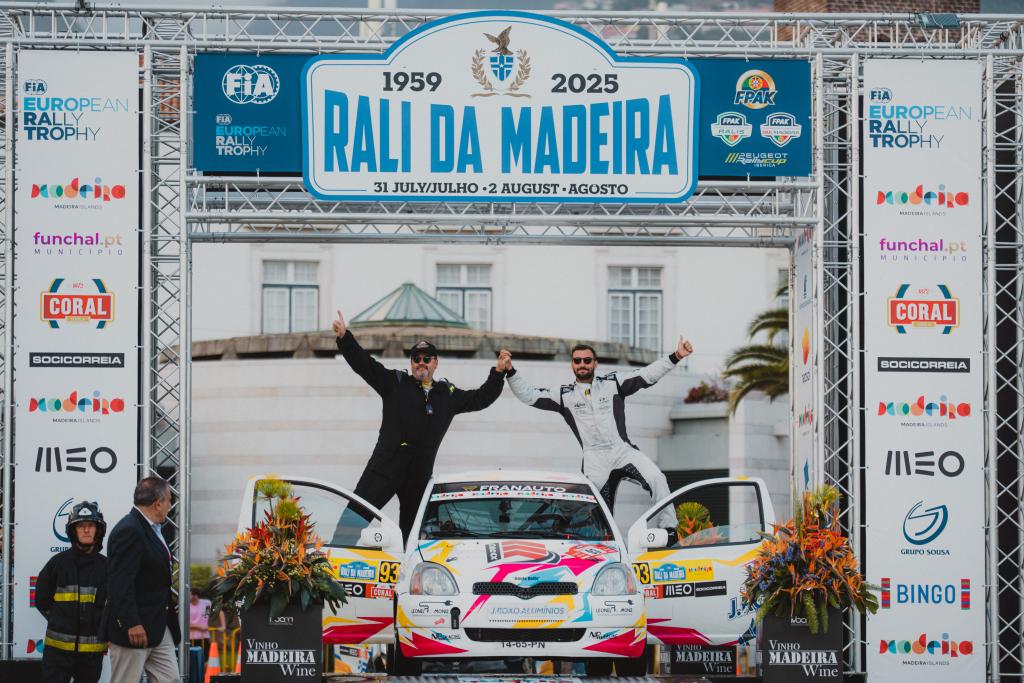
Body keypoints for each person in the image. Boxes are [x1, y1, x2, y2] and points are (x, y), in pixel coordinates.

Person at [333, 309, 509, 540]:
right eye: (416, 359)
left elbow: (481, 398)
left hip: (418, 476)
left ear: (435, 363)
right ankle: (330, 560)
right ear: (411, 363)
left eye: (427, 359)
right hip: (384, 468)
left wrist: (498, 372)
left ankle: (407, 564)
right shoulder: (395, 383)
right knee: (351, 524)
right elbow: (365, 365)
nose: (421, 363)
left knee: (413, 538)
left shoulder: (447, 395)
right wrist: (345, 338)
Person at [501, 337, 693, 527]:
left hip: (622, 451)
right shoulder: (564, 395)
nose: (582, 364)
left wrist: (676, 356)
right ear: (572, 364)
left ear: (595, 363)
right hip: (594, 460)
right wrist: (510, 371)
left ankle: (669, 528)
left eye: (587, 360)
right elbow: (529, 395)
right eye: (577, 361)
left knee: (657, 478)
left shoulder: (613, 383)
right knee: (595, 514)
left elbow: (647, 375)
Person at [102, 477, 181, 683]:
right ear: (158, 503)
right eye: (169, 500)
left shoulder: (153, 529)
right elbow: (120, 583)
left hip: (159, 625)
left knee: (171, 679)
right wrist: (131, 623)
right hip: (133, 629)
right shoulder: (129, 530)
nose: (170, 506)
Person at [35, 501, 108, 683]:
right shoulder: (57, 564)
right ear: (73, 531)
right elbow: (41, 601)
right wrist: (60, 622)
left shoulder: (107, 567)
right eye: (81, 526)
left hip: (91, 656)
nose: (86, 530)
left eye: (91, 525)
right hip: (57, 653)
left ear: (98, 530)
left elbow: (115, 605)